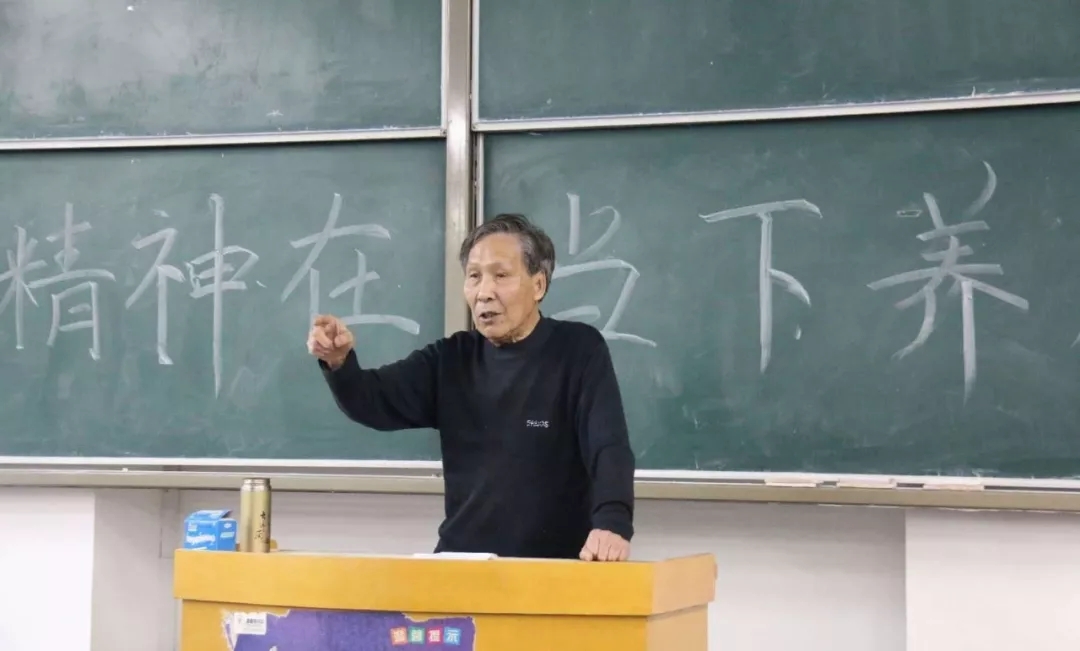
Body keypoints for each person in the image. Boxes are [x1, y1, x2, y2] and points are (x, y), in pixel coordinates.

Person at [308, 213, 635, 561]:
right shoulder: (451, 359)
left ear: (538, 285)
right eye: (474, 277)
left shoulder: (577, 350)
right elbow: (371, 400)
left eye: (501, 276)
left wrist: (612, 522)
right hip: (462, 563)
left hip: (551, 566)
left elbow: (608, 445)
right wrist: (339, 362)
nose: (484, 293)